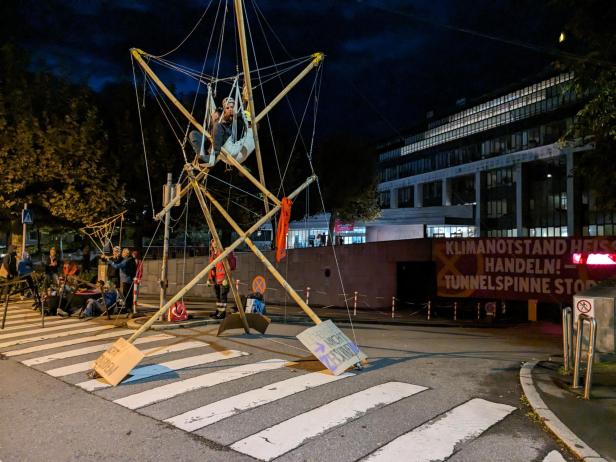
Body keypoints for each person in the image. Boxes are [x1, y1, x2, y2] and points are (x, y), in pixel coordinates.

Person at [208, 239, 236, 319]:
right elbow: (211, 268)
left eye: (215, 241)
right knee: (218, 297)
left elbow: (232, 266)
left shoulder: (224, 253)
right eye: (212, 241)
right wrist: (209, 278)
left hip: (224, 278)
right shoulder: (213, 254)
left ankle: (222, 313)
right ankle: (218, 311)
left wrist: (230, 253)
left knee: (223, 296)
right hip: (215, 279)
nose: (214, 243)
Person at [106, 248, 137, 314]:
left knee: (126, 295)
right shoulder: (131, 259)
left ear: (126, 254)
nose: (122, 253)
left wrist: (110, 261)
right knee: (129, 295)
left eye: (123, 252)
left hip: (126, 280)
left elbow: (117, 266)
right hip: (130, 279)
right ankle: (129, 308)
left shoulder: (126, 261)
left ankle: (128, 309)